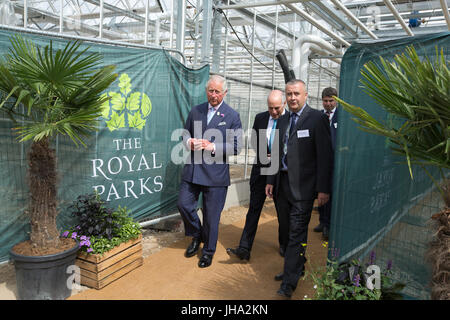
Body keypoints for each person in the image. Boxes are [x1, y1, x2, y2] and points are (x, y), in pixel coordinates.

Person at [265, 79, 333, 298]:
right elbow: (276, 152)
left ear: (305, 95)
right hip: (282, 185)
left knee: (297, 233)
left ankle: (289, 281)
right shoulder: (282, 119)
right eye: (289, 94)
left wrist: (323, 189)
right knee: (286, 229)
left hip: (304, 188)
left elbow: (325, 156)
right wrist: (270, 180)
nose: (292, 97)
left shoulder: (317, 119)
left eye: (296, 93)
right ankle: (296, 266)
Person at [177, 75, 243, 268]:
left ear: (225, 93)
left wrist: (212, 146)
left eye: (217, 91)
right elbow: (185, 133)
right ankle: (196, 235)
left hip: (216, 176)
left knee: (212, 217)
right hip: (193, 170)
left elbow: (236, 147)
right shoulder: (196, 110)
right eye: (210, 91)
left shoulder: (232, 116)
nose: (213, 95)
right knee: (183, 204)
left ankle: (208, 252)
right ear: (206, 90)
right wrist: (188, 142)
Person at [226, 90, 285, 261]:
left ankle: (284, 244)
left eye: (277, 108)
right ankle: (244, 247)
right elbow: (253, 139)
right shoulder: (260, 117)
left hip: (279, 172)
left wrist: (275, 155)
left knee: (282, 211)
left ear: (284, 104)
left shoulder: (290, 120)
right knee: (253, 209)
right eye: (270, 108)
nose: (273, 112)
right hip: (260, 170)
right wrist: (262, 153)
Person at [314, 87, 338, 240]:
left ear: (336, 101)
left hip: (335, 161)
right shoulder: (318, 117)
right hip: (319, 161)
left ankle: (329, 224)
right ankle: (322, 221)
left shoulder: (342, 117)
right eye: (325, 101)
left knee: (330, 192)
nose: (328, 104)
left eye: (331, 101)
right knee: (320, 190)